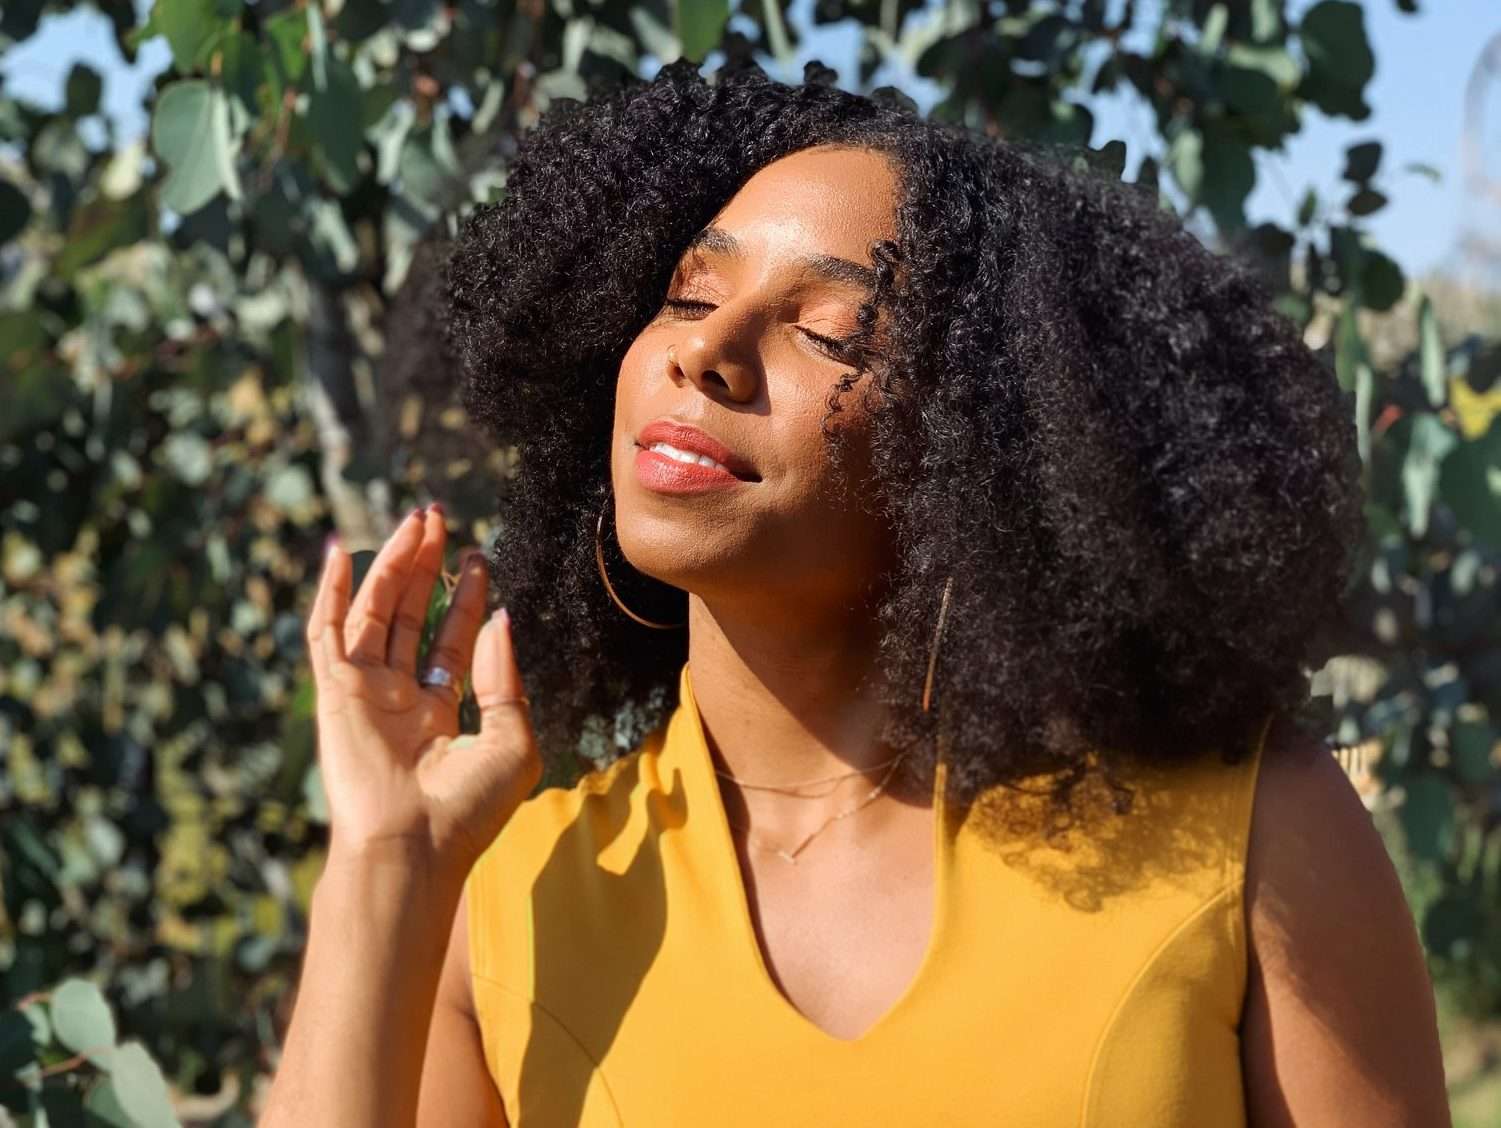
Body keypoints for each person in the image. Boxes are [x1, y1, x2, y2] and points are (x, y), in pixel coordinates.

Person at [259, 60, 1451, 1128]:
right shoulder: (521, 905)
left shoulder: (1246, 832)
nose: (705, 350)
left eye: (832, 332)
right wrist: (385, 863)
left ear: (993, 445)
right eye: (684, 297)